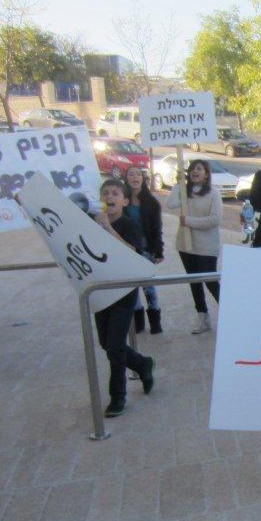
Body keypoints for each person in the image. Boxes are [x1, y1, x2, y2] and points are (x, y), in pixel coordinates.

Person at [93, 178, 155, 417]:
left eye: (115, 193)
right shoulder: (91, 223)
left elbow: (133, 252)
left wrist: (108, 228)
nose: (110, 197)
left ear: (125, 201)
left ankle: (117, 396)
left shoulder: (129, 225)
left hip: (124, 291)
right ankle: (142, 363)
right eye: (105, 193)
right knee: (106, 343)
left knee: (116, 347)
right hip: (101, 289)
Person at [167, 159, 222, 335]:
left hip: (206, 247)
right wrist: (178, 185)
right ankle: (202, 316)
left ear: (206, 174)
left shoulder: (214, 193)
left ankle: (231, 312)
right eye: (192, 169)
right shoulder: (185, 192)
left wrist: (189, 221)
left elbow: (215, 220)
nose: (195, 172)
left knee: (210, 282)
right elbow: (171, 204)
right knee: (194, 282)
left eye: (199, 169)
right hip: (185, 245)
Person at [124, 166, 163, 335]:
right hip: (127, 249)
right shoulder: (122, 200)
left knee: (148, 286)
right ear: (126, 178)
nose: (135, 177)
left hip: (146, 249)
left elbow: (157, 228)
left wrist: (158, 250)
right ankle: (138, 323)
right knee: (132, 287)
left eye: (138, 174)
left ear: (142, 178)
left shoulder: (151, 202)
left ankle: (155, 322)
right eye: (131, 174)